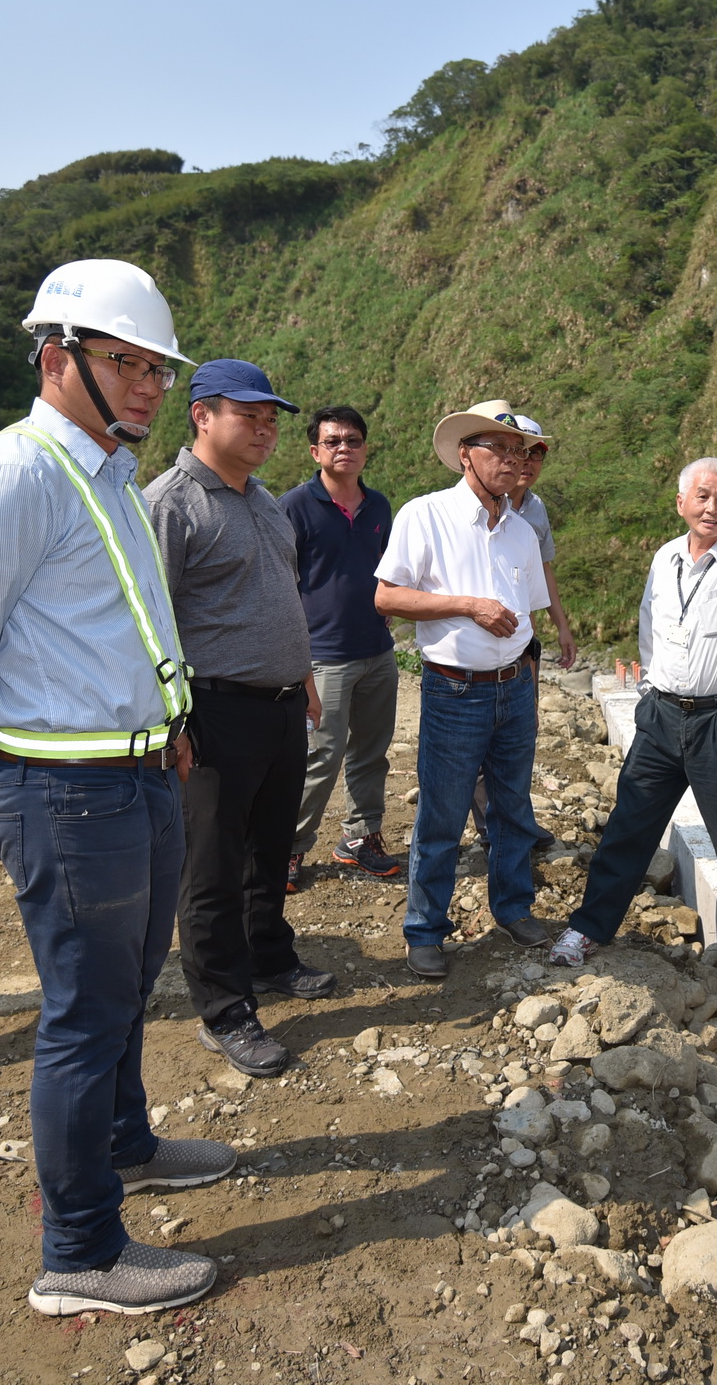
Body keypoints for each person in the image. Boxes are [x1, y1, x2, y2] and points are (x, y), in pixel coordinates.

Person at [0, 259, 232, 1317]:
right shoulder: (13, 475)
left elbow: (124, 626)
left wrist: (168, 723)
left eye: (155, 367)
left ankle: (126, 1145)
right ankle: (80, 1251)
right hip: (61, 787)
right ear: (58, 358)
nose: (145, 385)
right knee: (84, 1013)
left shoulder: (105, 476)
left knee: (131, 983)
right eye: (122, 362)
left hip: (135, 770)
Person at [550, 457, 717, 971]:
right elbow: (650, 624)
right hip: (662, 717)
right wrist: (651, 688)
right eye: (701, 496)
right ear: (681, 503)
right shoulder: (665, 557)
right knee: (629, 828)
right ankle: (587, 929)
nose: (711, 507)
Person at [146, 360, 333, 1081]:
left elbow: (282, 596)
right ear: (201, 415)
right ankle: (224, 1008)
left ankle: (270, 954)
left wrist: (305, 677)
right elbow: (149, 620)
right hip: (214, 708)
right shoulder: (170, 503)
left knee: (269, 846)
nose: (265, 430)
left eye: (271, 419)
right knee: (212, 867)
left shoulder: (262, 501)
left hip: (282, 704)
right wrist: (174, 722)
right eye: (248, 415)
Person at [374, 402, 554, 980]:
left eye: (517, 450)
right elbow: (388, 597)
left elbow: (526, 613)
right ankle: (424, 930)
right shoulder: (424, 516)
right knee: (442, 814)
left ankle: (513, 908)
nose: (510, 460)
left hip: (514, 689)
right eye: (495, 448)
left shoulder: (522, 530)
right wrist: (469, 606)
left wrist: (527, 663)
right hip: (454, 690)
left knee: (512, 807)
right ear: (464, 455)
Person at [279, 406, 401, 887]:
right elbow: (280, 583)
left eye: (352, 440)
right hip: (322, 655)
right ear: (315, 451)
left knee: (372, 752)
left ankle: (360, 836)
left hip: (377, 649)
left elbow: (389, 567)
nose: (343, 448)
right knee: (319, 757)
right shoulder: (293, 506)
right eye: (332, 442)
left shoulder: (380, 506)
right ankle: (288, 846)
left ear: (365, 448)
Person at [469, 410, 572, 853]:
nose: (525, 461)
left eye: (534, 453)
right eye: (516, 450)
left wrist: (561, 626)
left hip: (522, 640)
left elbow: (544, 573)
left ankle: (514, 820)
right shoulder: (475, 506)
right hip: (477, 643)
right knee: (477, 736)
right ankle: (491, 825)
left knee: (520, 731)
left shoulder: (534, 510)